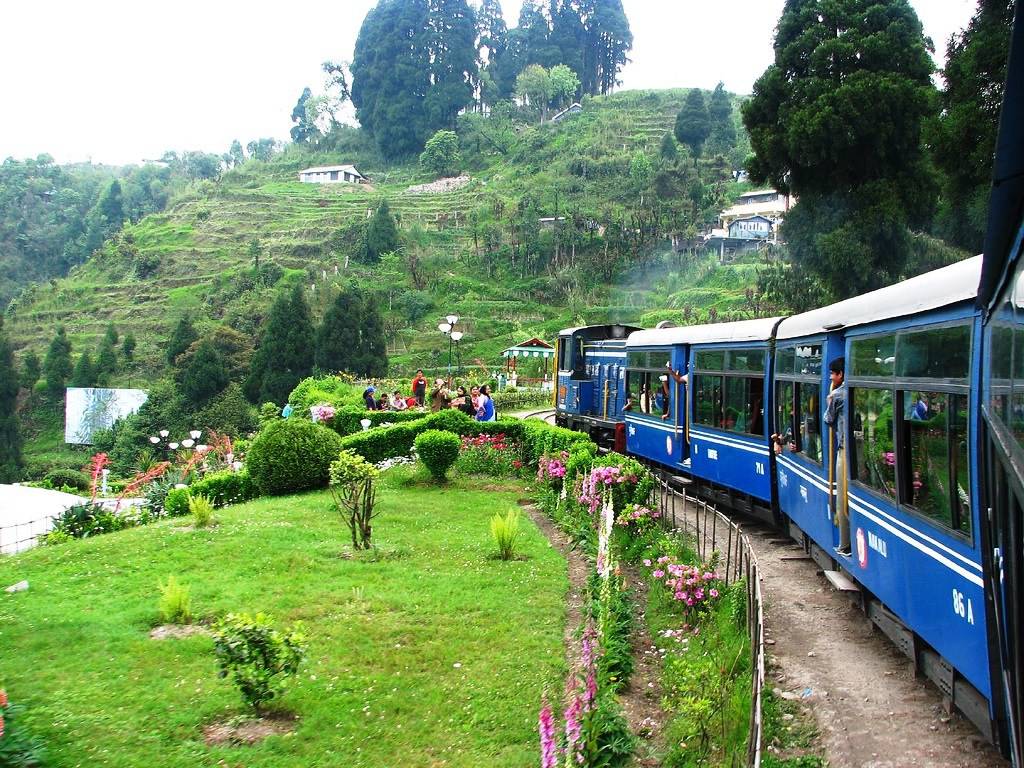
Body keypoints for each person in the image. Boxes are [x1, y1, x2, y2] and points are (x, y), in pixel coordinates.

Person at [824, 357, 850, 556]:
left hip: (843, 450)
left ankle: (844, 543)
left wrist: (828, 401)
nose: (831, 377)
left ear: (840, 374)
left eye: (832, 373)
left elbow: (828, 419)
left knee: (842, 497)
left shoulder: (837, 395)